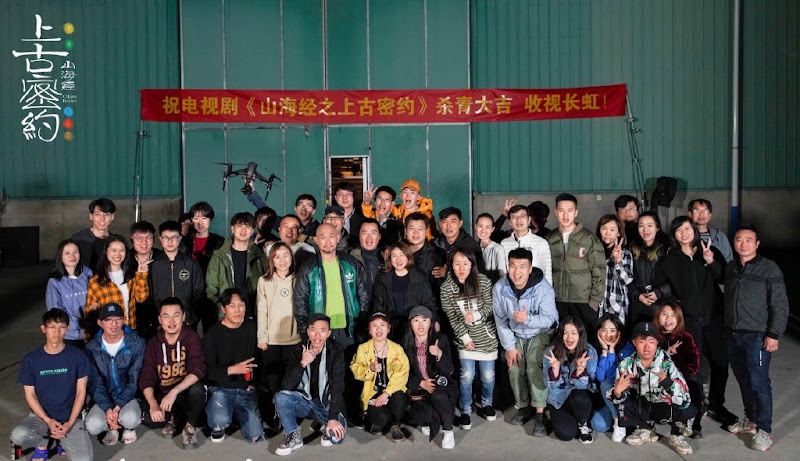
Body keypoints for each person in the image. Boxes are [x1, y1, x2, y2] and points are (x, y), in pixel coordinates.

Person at [653, 216, 736, 426]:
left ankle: (717, 404)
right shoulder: (669, 260)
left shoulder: (709, 251)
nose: (684, 233)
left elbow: (725, 278)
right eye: (679, 230)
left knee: (720, 362)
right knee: (693, 366)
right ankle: (695, 410)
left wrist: (711, 261)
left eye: (687, 228)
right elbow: (662, 288)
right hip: (689, 320)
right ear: (674, 235)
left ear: (694, 230)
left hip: (714, 317)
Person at [724, 225, 789, 452]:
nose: (743, 244)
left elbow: (779, 304)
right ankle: (751, 421)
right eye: (739, 239)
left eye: (748, 240)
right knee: (744, 380)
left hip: (757, 336)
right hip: (733, 334)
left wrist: (773, 334)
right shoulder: (731, 267)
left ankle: (764, 430)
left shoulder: (769, 269)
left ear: (757, 244)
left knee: (759, 383)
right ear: (734, 242)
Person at [492, 248, 558, 436]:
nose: (517, 271)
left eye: (522, 266)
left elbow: (550, 319)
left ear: (530, 269)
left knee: (534, 363)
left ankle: (540, 412)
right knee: (514, 366)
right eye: (513, 266)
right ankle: (523, 406)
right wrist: (509, 347)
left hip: (540, 332)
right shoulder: (500, 288)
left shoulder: (543, 287)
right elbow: (500, 320)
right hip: (516, 333)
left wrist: (528, 319)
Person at [11, 309, 93, 461]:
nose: (57, 332)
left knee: (85, 459)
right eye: (52, 327)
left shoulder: (78, 356)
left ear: (67, 328)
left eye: (62, 327)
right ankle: (43, 442)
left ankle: (62, 440)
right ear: (43, 329)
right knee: (19, 435)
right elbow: (30, 395)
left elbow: (81, 392)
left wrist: (70, 422)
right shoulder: (31, 359)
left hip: (70, 418)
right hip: (41, 418)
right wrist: (48, 420)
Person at [609, 321, 695, 455]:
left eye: (651, 341)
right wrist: (617, 393)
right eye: (642, 341)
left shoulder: (667, 364)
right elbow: (617, 398)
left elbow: (685, 398)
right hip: (643, 406)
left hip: (663, 407)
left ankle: (676, 435)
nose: (646, 347)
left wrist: (667, 383)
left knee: (688, 409)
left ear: (657, 343)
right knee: (620, 399)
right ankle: (645, 429)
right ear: (634, 342)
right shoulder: (626, 365)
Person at [440, 247, 498, 429]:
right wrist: (465, 339)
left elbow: (490, 306)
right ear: (451, 265)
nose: (461, 268)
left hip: (486, 336)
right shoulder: (446, 288)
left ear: (472, 264)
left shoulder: (483, 281)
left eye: (465, 263)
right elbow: (451, 316)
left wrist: (476, 315)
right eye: (457, 263)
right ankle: (465, 409)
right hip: (464, 339)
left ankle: (487, 403)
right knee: (467, 375)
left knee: (487, 375)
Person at [273, 313, 347, 456]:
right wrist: (303, 363)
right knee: (280, 397)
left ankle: (324, 422)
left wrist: (332, 419)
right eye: (313, 330)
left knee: (336, 438)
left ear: (329, 333)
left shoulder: (335, 350)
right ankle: (293, 435)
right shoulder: (298, 350)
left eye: (322, 330)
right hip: (305, 402)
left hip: (326, 404)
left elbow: (337, 386)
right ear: (308, 331)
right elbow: (286, 386)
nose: (317, 335)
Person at [139, 297, 206, 449]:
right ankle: (174, 417)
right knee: (148, 416)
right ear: (159, 319)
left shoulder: (191, 337)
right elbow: (146, 376)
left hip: (184, 392)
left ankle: (189, 426)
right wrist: (153, 404)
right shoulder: (153, 343)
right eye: (166, 316)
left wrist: (174, 391)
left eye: (176, 315)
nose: (171, 321)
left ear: (183, 316)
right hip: (164, 395)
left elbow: (198, 369)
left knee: (198, 391)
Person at [203, 288, 264, 443]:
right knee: (219, 421)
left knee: (255, 435)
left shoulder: (253, 327)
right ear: (223, 309)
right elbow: (207, 371)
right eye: (231, 306)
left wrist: (255, 383)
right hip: (222, 389)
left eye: (240, 305)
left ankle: (237, 412)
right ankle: (225, 414)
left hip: (246, 389)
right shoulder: (212, 334)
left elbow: (261, 360)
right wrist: (233, 369)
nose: (237, 310)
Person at [294, 223, 368, 346]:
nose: (328, 241)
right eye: (323, 237)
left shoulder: (351, 263)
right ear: (316, 240)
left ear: (338, 238)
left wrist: (362, 324)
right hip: (320, 332)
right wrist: (304, 331)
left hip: (349, 329)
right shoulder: (308, 268)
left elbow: (363, 295)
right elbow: (300, 301)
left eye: (331, 237)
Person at [84, 303, 145, 446]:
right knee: (93, 426)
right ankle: (113, 427)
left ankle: (128, 427)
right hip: (104, 399)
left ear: (124, 320)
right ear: (100, 323)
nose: (114, 323)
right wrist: (107, 408)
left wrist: (118, 406)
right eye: (108, 319)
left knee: (130, 418)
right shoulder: (91, 348)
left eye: (118, 319)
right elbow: (95, 383)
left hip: (128, 397)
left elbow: (134, 378)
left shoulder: (136, 343)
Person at [547, 193, 606, 340]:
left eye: (570, 210)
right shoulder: (550, 238)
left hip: (583, 302)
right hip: (558, 301)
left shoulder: (588, 238)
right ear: (556, 212)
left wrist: (594, 302)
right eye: (561, 210)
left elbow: (599, 271)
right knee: (561, 342)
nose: (565, 215)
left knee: (586, 343)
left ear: (576, 212)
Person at [255, 242, 301, 428]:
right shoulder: (264, 281)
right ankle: (277, 414)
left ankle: (290, 413)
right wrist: (262, 338)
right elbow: (262, 310)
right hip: (271, 340)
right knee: (273, 380)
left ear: (291, 257)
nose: (282, 260)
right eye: (277, 256)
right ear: (271, 260)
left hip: (294, 339)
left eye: (286, 255)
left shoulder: (298, 278)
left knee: (290, 381)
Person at [403, 306, 457, 449]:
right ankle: (432, 418)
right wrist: (420, 383)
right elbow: (403, 374)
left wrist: (439, 354)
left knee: (438, 395)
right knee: (418, 415)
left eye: (425, 320)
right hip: (420, 388)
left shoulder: (440, 339)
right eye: (416, 320)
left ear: (431, 322)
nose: (420, 325)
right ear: (410, 323)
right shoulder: (406, 343)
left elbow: (450, 369)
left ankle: (448, 430)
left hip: (440, 386)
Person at [350, 312, 410, 441]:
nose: (379, 329)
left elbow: (403, 373)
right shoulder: (363, 348)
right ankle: (376, 419)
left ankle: (395, 425)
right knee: (381, 418)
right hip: (373, 393)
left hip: (391, 392)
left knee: (399, 398)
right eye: (374, 325)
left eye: (382, 325)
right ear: (369, 329)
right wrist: (370, 369)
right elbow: (355, 370)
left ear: (388, 328)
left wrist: (387, 393)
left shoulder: (397, 349)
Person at [84, 236, 150, 341]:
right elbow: (90, 314)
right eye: (114, 250)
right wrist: (89, 340)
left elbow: (141, 297)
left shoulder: (131, 276)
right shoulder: (96, 281)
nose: (118, 254)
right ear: (106, 252)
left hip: (129, 330)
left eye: (121, 250)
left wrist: (142, 274)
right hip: (107, 335)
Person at [543, 316, 598, 443]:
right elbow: (550, 386)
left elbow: (584, 387)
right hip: (558, 398)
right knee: (566, 435)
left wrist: (579, 370)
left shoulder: (590, 352)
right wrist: (555, 370)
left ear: (580, 335)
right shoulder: (551, 352)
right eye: (565, 333)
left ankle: (583, 423)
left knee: (579, 397)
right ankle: (568, 420)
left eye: (573, 333)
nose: (569, 338)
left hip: (579, 397)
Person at [370, 241, 437, 341]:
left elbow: (429, 303)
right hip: (391, 328)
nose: (398, 259)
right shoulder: (382, 280)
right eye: (394, 256)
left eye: (401, 255)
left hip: (415, 328)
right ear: (390, 259)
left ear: (408, 256)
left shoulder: (419, 278)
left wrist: (434, 321)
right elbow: (378, 305)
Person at [206, 212, 267, 320]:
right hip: (227, 315)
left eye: (247, 227)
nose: (243, 230)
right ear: (232, 229)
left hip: (252, 313)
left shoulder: (259, 256)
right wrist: (220, 309)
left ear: (252, 230)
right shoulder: (219, 256)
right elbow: (211, 288)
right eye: (239, 226)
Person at [653, 301, 701, 437]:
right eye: (664, 314)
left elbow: (694, 363)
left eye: (673, 315)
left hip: (681, 377)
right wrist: (665, 353)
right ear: (658, 317)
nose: (668, 319)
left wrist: (677, 377)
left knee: (693, 385)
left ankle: (693, 423)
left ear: (679, 318)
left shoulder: (685, 337)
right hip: (657, 376)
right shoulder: (653, 337)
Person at [150, 221, 205, 330]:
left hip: (187, 321)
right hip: (161, 322)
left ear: (180, 239)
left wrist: (190, 316)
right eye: (166, 238)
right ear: (160, 239)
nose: (170, 241)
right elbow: (150, 294)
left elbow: (199, 292)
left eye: (174, 237)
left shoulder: (190, 264)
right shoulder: (153, 265)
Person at [590, 313, 633, 442]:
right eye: (604, 330)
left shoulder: (627, 348)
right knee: (598, 425)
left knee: (606, 384)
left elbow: (612, 377)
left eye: (613, 330)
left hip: (625, 396)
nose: (608, 334)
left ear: (619, 332)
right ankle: (616, 417)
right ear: (598, 332)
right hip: (609, 398)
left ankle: (619, 421)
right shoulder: (595, 349)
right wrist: (606, 350)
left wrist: (612, 350)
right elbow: (600, 376)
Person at [627, 211, 670, 334]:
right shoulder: (631, 248)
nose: (645, 230)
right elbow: (627, 277)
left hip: (660, 303)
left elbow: (675, 278)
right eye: (641, 226)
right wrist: (637, 295)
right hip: (638, 304)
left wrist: (659, 292)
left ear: (657, 227)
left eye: (650, 225)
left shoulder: (667, 248)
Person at [46, 240, 92, 347]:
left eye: (75, 252)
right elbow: (55, 310)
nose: (72, 256)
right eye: (67, 253)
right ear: (60, 256)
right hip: (69, 335)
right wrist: (73, 325)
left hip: (91, 331)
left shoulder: (88, 274)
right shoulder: (54, 282)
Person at [500, 204, 552, 284]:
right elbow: (502, 272)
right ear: (510, 222)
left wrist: (547, 291)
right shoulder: (504, 244)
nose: (518, 220)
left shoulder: (541, 243)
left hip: (535, 289)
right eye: (514, 217)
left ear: (529, 219)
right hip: (510, 289)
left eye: (522, 216)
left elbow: (547, 271)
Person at [596, 215, 633, 325]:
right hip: (596, 306)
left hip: (616, 307)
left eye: (612, 230)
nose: (607, 233)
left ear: (618, 233)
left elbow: (626, 280)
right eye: (604, 228)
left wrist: (618, 260)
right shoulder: (595, 252)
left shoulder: (625, 254)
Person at [127, 221, 163, 339]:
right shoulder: (125, 259)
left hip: (157, 312)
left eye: (148, 238)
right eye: (139, 238)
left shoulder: (161, 258)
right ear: (132, 239)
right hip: (132, 314)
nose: (144, 242)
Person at [404, 212, 447, 290]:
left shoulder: (437, 254)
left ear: (426, 231)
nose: (416, 233)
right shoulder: (398, 252)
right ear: (406, 231)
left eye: (420, 229)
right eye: (412, 228)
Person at [179, 201, 225, 275]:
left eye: (204, 218)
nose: (200, 223)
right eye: (196, 218)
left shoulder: (219, 241)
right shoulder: (183, 242)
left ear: (210, 219)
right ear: (191, 220)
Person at [71, 197, 117, 270]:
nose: (102, 219)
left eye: (107, 215)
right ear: (91, 216)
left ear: (112, 217)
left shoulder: (115, 241)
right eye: (97, 214)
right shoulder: (78, 239)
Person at [434, 207, 483, 272]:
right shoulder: (435, 244)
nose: (448, 226)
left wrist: (447, 272)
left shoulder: (471, 246)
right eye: (445, 222)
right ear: (440, 224)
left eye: (453, 221)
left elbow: (477, 272)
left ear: (460, 223)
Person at [349, 218, 384, 305]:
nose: (369, 238)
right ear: (359, 235)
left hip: (383, 310)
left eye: (373, 233)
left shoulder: (387, 259)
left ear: (379, 236)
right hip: (358, 309)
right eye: (364, 233)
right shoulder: (350, 259)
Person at [687, 198, 733, 262]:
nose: (701, 214)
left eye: (705, 211)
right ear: (690, 214)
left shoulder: (719, 236)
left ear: (710, 215)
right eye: (697, 210)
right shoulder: (684, 235)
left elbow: (728, 260)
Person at [474, 212, 507, 282]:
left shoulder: (498, 248)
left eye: (487, 227)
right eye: (480, 226)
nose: (483, 230)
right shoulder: (473, 247)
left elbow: (503, 275)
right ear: (475, 227)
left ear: (492, 229)